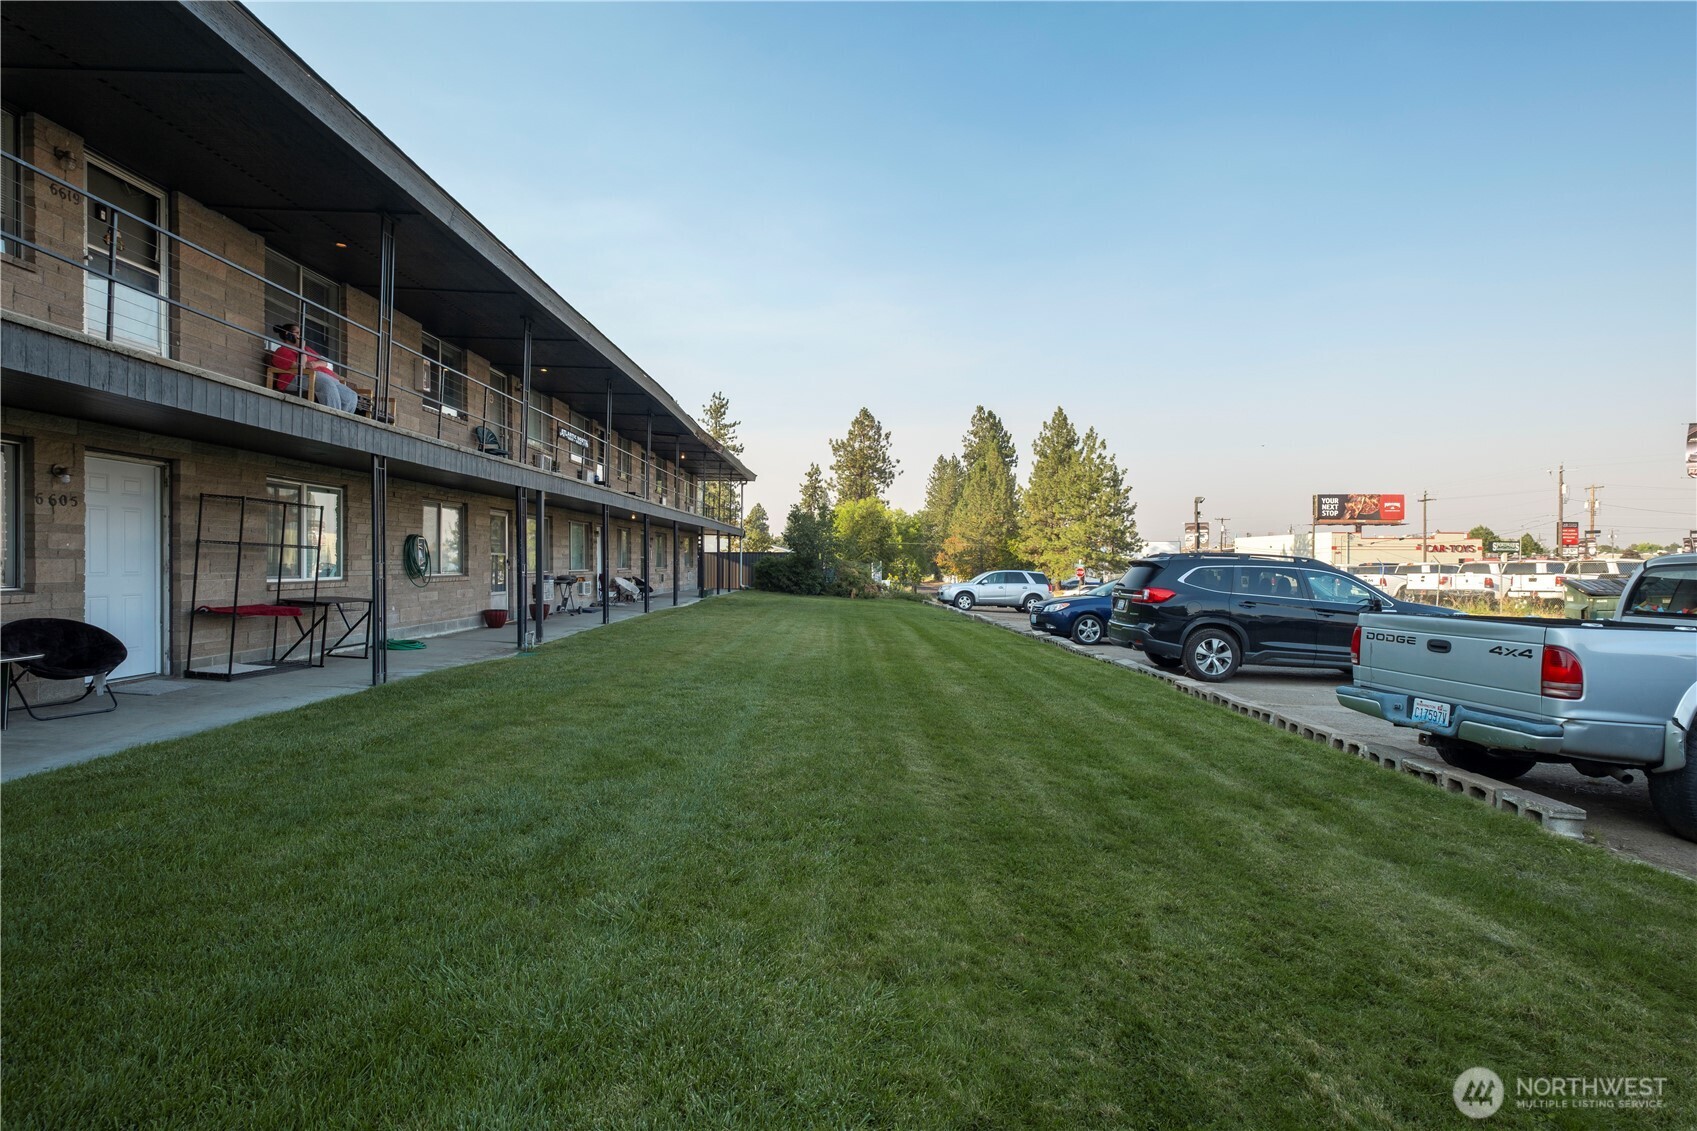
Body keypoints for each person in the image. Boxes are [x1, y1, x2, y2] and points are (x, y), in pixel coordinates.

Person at [268, 323, 360, 413]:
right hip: (295, 378)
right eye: (297, 333)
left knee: (351, 395)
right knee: (326, 384)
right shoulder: (282, 351)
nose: (300, 336)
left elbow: (324, 362)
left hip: (326, 376)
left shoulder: (308, 349)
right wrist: (302, 348)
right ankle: (333, 419)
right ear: (288, 335)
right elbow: (301, 366)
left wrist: (315, 364)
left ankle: (340, 422)